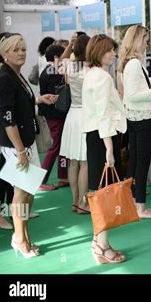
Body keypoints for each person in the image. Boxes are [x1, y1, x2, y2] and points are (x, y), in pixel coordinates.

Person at [0, 33, 56, 257]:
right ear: (5, 54)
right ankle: (19, 239)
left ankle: (24, 235)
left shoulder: (17, 76)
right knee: (20, 194)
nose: (21, 53)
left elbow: (21, 105)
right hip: (15, 145)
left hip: (26, 142)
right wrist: (20, 151)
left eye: (23, 48)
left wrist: (39, 99)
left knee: (29, 193)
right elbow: (7, 119)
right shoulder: (4, 79)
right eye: (16, 49)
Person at [82, 34, 127, 264]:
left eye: (113, 50)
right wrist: (110, 148)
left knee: (100, 192)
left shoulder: (93, 74)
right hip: (103, 139)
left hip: (98, 137)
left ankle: (101, 242)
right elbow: (103, 115)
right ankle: (100, 246)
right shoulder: (101, 77)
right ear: (98, 51)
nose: (113, 54)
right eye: (109, 50)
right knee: (104, 194)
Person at [118, 25, 151, 219]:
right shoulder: (133, 63)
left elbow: (138, 85)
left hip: (135, 117)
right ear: (138, 40)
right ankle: (140, 207)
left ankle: (133, 202)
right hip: (141, 118)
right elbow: (134, 94)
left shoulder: (130, 62)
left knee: (135, 162)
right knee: (142, 163)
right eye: (146, 39)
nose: (147, 43)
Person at [59, 34, 91, 214]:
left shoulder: (70, 67)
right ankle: (82, 202)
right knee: (85, 162)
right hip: (85, 115)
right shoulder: (91, 69)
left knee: (73, 162)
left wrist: (70, 43)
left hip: (72, 115)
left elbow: (62, 59)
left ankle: (74, 201)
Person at [0, 32, 15, 230]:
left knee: (9, 172)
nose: (21, 52)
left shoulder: (9, 71)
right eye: (15, 48)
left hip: (6, 127)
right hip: (5, 128)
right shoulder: (0, 71)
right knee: (5, 172)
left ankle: (12, 210)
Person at [38, 45, 68, 191]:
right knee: (56, 146)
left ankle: (63, 176)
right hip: (56, 115)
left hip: (51, 114)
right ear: (56, 58)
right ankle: (41, 180)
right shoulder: (54, 73)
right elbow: (58, 96)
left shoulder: (45, 71)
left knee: (61, 146)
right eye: (63, 58)